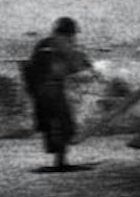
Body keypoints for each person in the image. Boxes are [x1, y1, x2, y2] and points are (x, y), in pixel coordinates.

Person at [21, 17, 96, 171]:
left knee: (53, 125)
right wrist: (86, 66)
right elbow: (65, 64)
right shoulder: (58, 43)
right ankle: (60, 162)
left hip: (42, 90)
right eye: (73, 34)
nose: (74, 37)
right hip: (51, 90)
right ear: (68, 32)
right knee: (62, 123)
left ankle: (59, 160)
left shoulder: (45, 43)